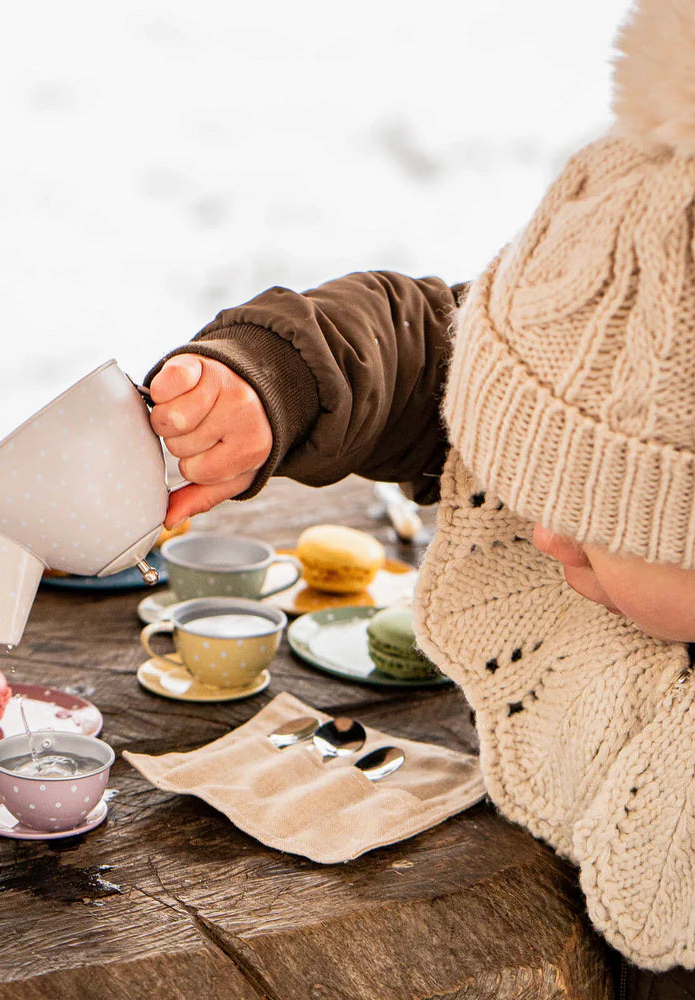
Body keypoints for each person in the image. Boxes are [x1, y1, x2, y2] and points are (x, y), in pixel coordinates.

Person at [145, 0, 695, 995]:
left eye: (595, 519)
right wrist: (285, 385)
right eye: (521, 476)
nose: (540, 533)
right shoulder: (615, 324)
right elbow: (439, 352)